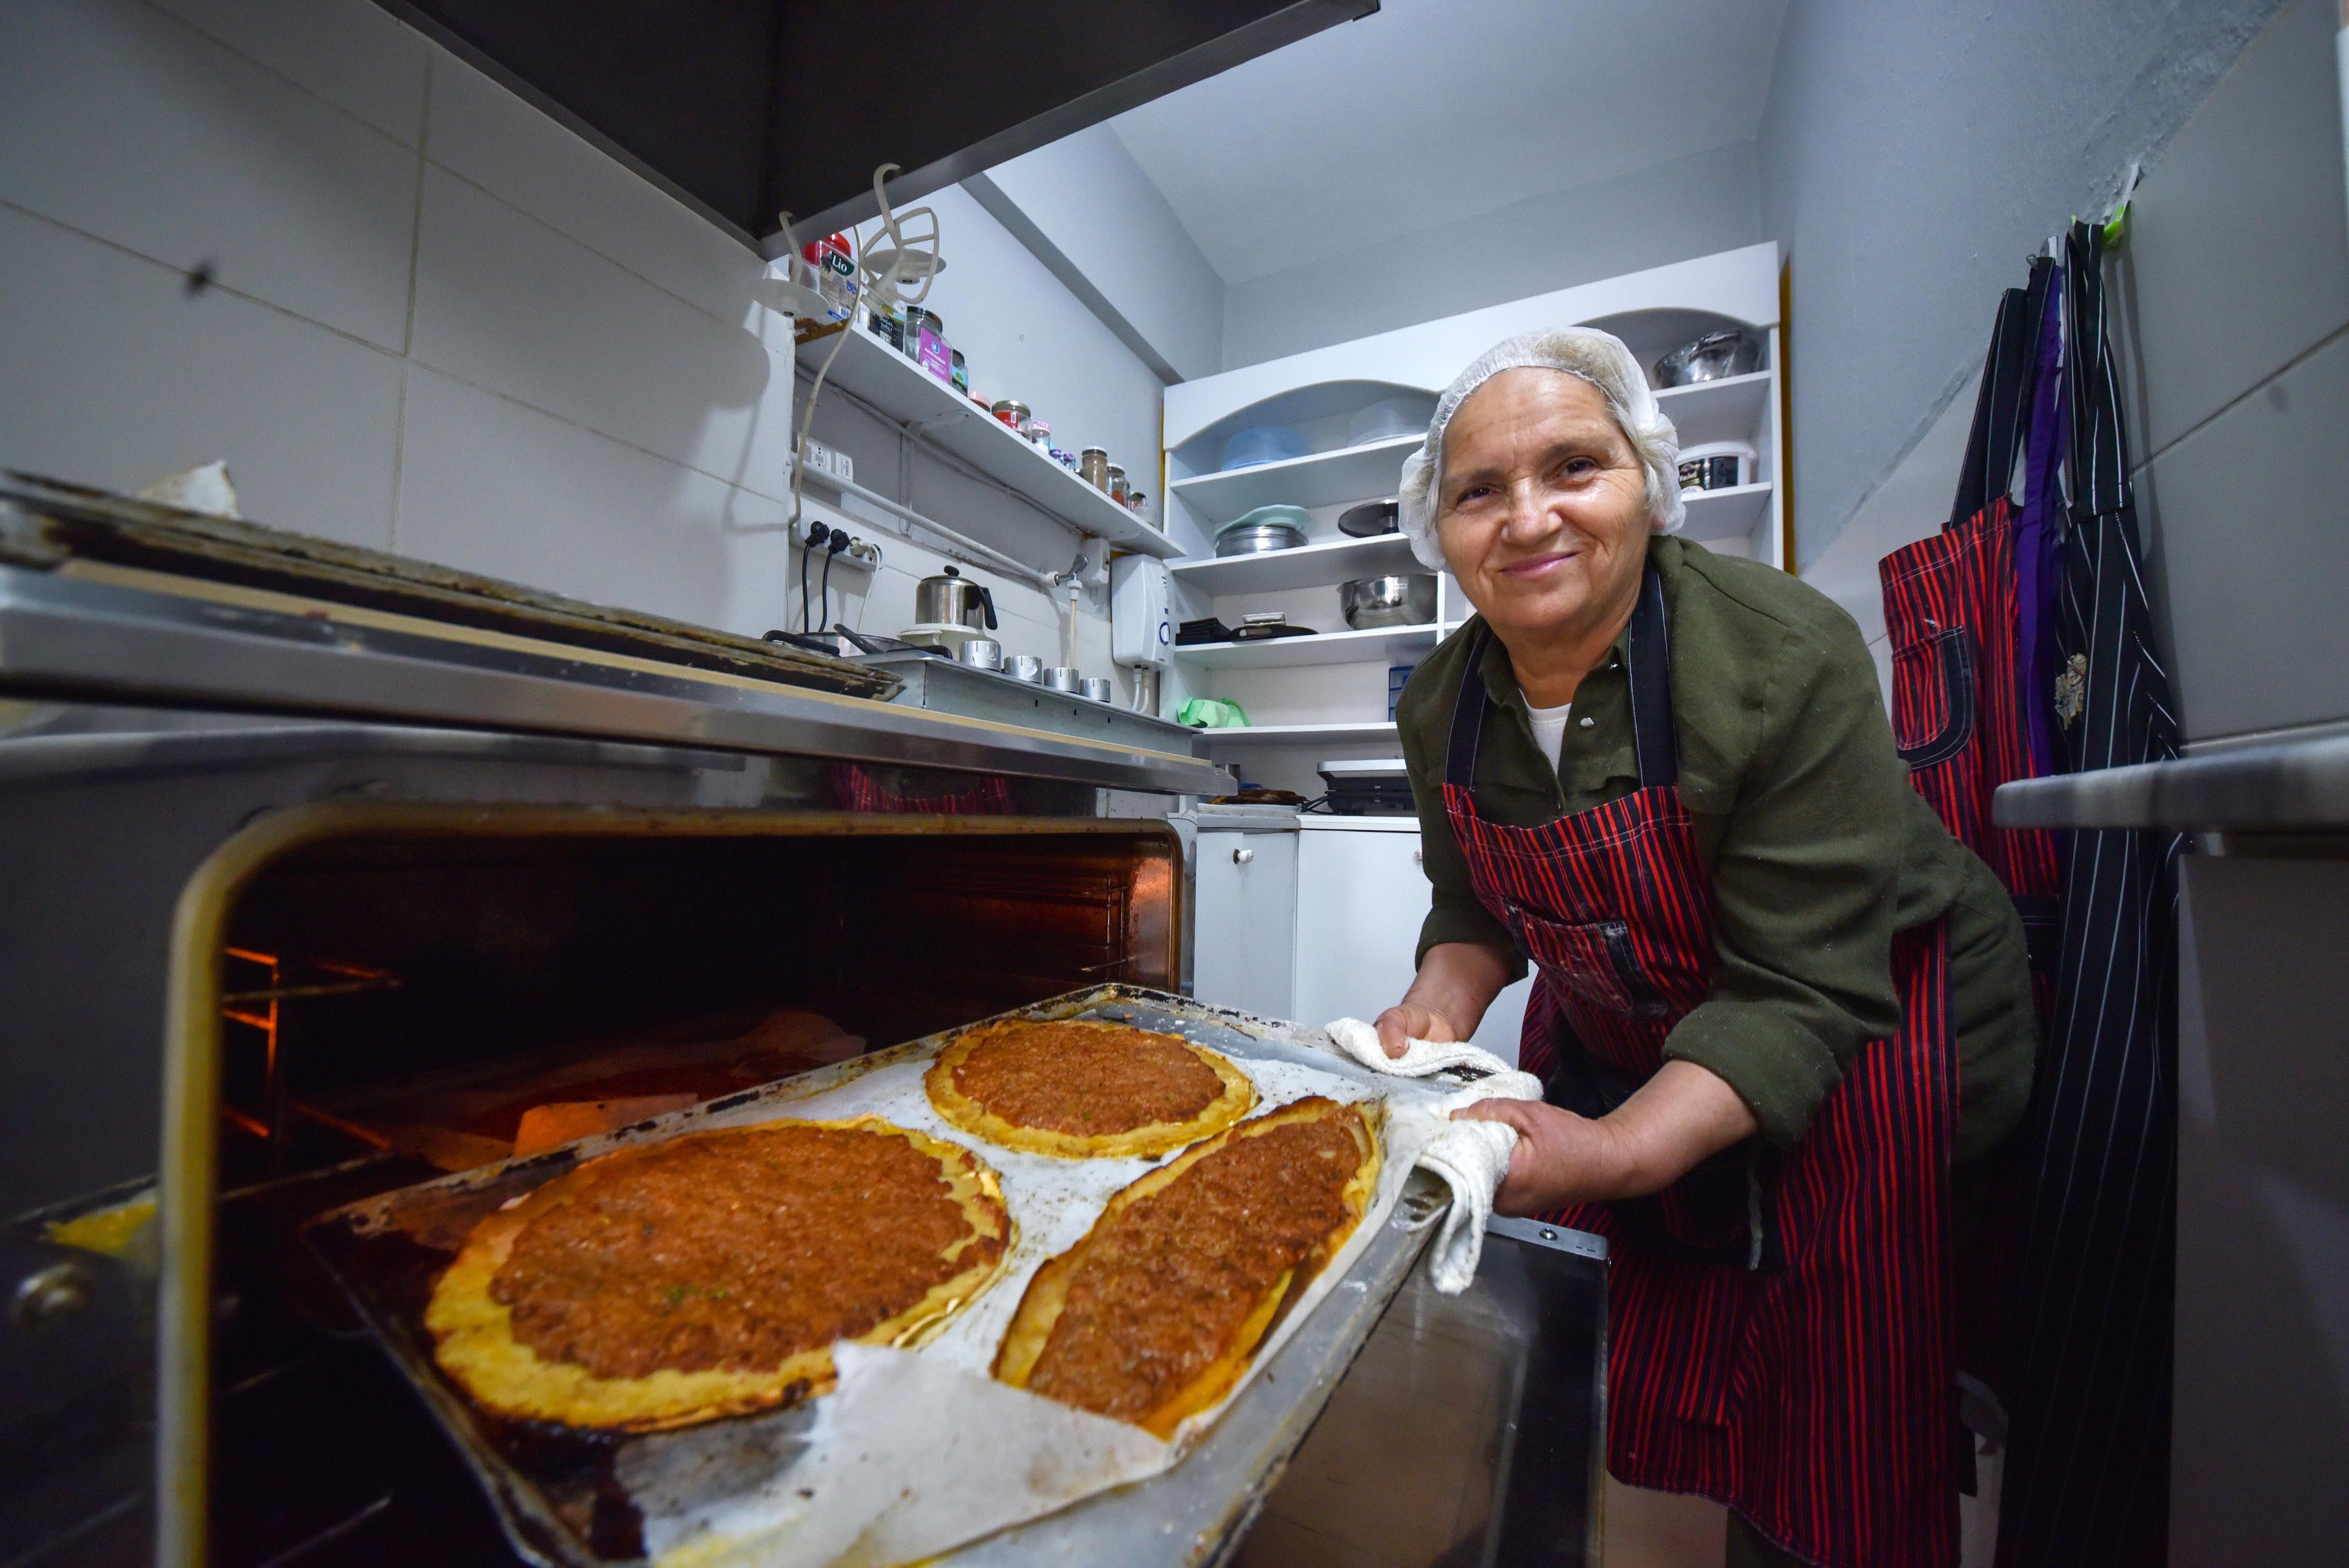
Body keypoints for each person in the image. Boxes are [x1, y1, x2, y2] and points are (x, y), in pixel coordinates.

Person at [1377, 329, 2036, 1568]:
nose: (1528, 520)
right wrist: (1426, 1017)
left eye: (1573, 466)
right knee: (1659, 1331)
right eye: (1480, 490)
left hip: (1869, 1027)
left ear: (1648, 477)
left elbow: (1798, 988)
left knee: (1838, 1374)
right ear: (1439, 526)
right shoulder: (1441, 702)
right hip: (1639, 1025)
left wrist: (1617, 1149)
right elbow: (1471, 911)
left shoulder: (1778, 655)